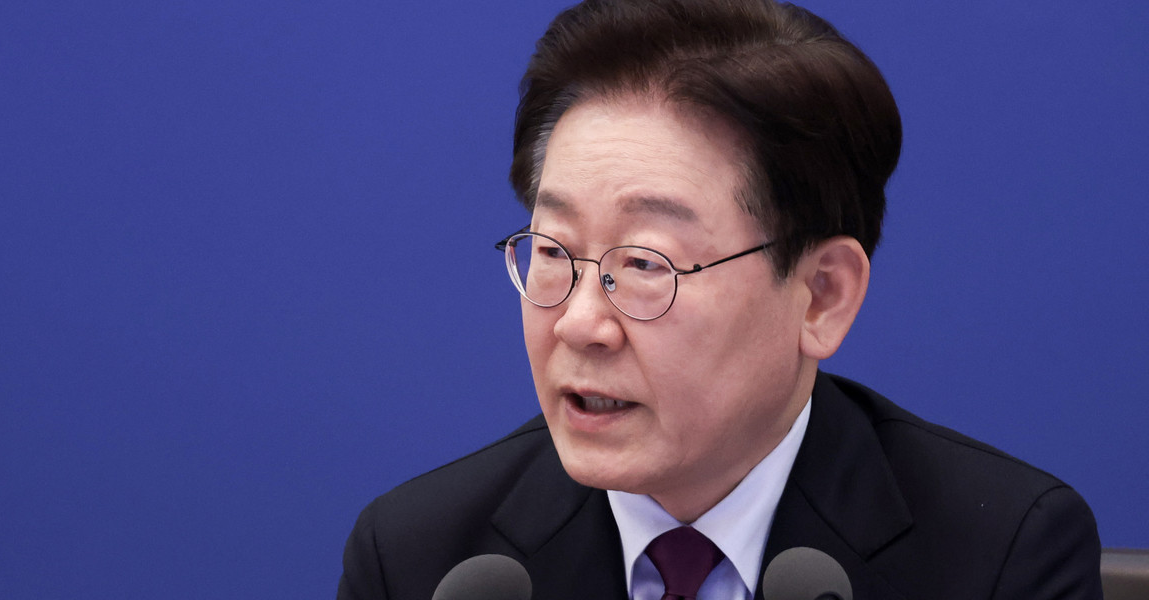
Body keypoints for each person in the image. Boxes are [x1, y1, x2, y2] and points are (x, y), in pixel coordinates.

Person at [337, 1, 1103, 598]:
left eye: (645, 263)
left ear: (822, 296)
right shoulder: (422, 561)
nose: (579, 323)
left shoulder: (1000, 557)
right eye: (554, 253)